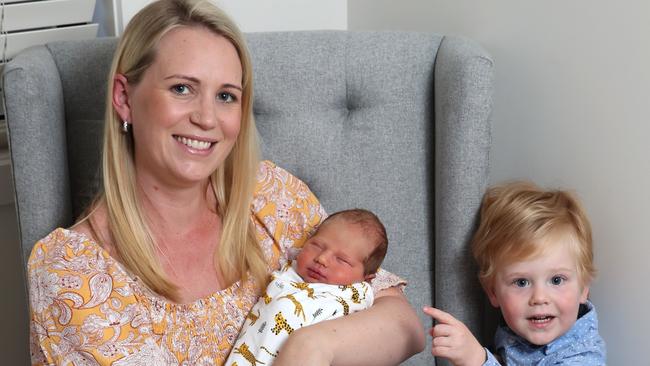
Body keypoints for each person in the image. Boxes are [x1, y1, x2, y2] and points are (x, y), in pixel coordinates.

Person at [26, 0, 424, 364]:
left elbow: (404, 323)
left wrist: (313, 345)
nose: (207, 118)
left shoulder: (269, 194)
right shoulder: (74, 271)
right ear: (125, 98)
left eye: (226, 96)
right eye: (182, 88)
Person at [423, 181, 606, 365]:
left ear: (583, 288)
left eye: (557, 280)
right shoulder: (515, 330)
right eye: (521, 282)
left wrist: (478, 360)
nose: (539, 298)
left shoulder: (583, 357)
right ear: (493, 292)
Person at [225, 208, 388, 365]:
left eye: (341, 260)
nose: (322, 259)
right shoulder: (289, 272)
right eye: (317, 245)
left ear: (366, 279)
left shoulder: (355, 297)